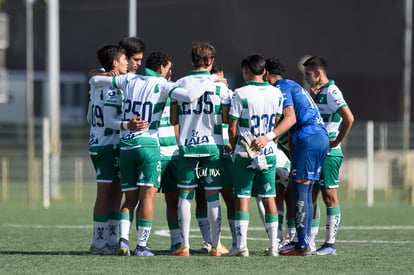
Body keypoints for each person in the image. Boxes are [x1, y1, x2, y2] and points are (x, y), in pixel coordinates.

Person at [89, 53, 223, 256]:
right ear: (161, 67)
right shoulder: (163, 84)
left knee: (130, 199)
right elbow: (189, 96)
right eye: (168, 68)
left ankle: (123, 240)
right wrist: (212, 79)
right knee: (148, 196)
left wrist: (107, 74)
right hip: (150, 145)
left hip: (126, 145)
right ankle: (142, 246)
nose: (170, 72)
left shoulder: (129, 79)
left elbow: (95, 80)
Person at [255, 57, 329, 256]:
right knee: (306, 189)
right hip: (319, 137)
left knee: (300, 190)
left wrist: (268, 137)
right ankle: (303, 241)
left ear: (266, 74)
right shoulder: (293, 85)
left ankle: (301, 245)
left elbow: (291, 118)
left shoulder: (280, 88)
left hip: (309, 137)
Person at [170, 42, 231, 257]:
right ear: (211, 61)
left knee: (185, 196)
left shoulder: (179, 84)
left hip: (188, 146)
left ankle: (184, 246)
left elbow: (173, 118)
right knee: (213, 197)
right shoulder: (220, 87)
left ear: (191, 60)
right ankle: (216, 246)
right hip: (212, 146)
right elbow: (225, 118)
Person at [227, 54, 284, 257]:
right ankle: (274, 246)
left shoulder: (240, 93)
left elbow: (232, 127)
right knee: (269, 197)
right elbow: (277, 121)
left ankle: (241, 246)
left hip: (245, 152)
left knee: (242, 198)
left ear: (247, 71)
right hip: (268, 152)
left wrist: (232, 146)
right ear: (265, 72)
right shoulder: (276, 94)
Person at [302, 56, 354, 255]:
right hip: (315, 150)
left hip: (329, 153)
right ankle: (310, 243)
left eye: (308, 74)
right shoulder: (317, 92)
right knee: (311, 196)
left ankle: (330, 244)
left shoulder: (332, 91)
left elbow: (349, 117)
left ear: (318, 73)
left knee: (329, 196)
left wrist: (336, 141)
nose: (306, 78)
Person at [87, 44, 131, 255]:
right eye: (124, 60)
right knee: (106, 194)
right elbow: (110, 119)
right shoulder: (111, 87)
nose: (128, 64)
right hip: (108, 145)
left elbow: (89, 117)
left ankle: (111, 240)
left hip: (99, 143)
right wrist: (126, 125)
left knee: (115, 192)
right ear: (115, 63)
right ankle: (98, 242)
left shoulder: (98, 83)